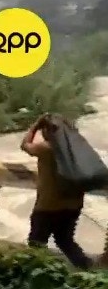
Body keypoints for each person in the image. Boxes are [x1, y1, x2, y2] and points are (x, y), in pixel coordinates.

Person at [20, 114, 92, 270]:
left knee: (36, 243)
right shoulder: (78, 150)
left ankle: (38, 274)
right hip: (74, 204)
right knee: (65, 240)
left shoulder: (46, 149)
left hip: (48, 206)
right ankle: (86, 267)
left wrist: (35, 125)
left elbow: (25, 145)